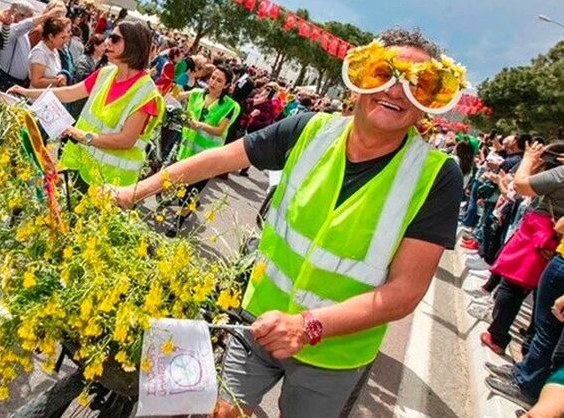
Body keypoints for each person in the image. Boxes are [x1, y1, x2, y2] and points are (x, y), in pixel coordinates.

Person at [113, 29, 466, 417]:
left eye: (419, 85)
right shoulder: (309, 130)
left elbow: (406, 290)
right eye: (383, 74)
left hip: (334, 356)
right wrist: (134, 192)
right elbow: (218, 159)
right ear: (358, 81)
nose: (396, 92)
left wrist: (307, 326)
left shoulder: (437, 176)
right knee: (215, 412)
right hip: (256, 324)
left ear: (429, 105)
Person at [9, 21, 164, 191]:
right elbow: (69, 93)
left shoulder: (146, 94)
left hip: (111, 185)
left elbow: (126, 140)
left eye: (114, 38)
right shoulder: (106, 73)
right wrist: (26, 92)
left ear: (133, 45)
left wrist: (80, 135)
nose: (107, 42)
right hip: (81, 169)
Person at [484, 142, 564, 408]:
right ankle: (525, 372)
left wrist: (529, 158)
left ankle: (527, 383)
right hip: (556, 250)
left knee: (546, 326)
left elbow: (521, 185)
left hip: (552, 251)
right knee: (542, 323)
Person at [170, 66, 240, 222]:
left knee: (193, 188)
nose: (213, 82)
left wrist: (199, 125)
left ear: (227, 85)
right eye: (213, 78)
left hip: (207, 155)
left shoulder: (231, 106)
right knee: (182, 183)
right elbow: (176, 95)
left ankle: (180, 219)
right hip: (187, 150)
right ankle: (189, 203)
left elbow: (220, 130)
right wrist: (172, 80)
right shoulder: (197, 94)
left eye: (219, 80)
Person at [0, 2, 63, 90]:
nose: (33, 18)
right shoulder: (10, 30)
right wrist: (47, 15)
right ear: (18, 15)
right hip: (6, 80)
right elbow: (25, 25)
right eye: (30, 15)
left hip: (17, 82)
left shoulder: (25, 33)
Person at [27, 17, 71, 88]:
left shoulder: (54, 50)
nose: (66, 41)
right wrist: (57, 81)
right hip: (37, 98)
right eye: (62, 38)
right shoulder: (39, 53)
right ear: (51, 36)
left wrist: (62, 76)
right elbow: (36, 82)